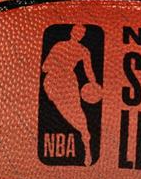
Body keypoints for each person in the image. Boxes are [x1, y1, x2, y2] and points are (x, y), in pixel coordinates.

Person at [42, 24, 101, 166]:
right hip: (59, 81)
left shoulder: (77, 49)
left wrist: (94, 86)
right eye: (78, 31)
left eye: (81, 32)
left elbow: (45, 67)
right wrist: (94, 84)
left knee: (75, 112)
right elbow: (45, 67)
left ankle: (86, 141)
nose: (78, 34)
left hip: (63, 81)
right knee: (71, 112)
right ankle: (85, 136)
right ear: (73, 32)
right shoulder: (70, 48)